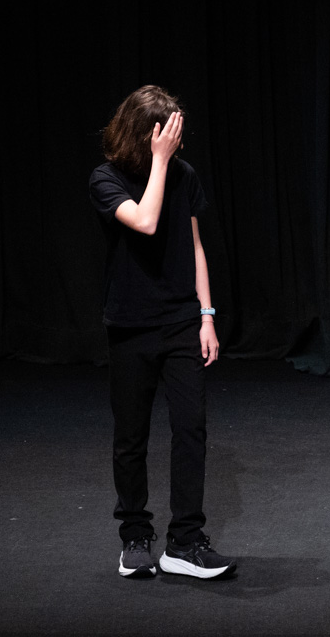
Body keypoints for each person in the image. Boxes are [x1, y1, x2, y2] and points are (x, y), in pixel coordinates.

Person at [89, 86, 236, 580]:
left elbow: (194, 246)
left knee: (191, 430)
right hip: (130, 327)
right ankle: (135, 537)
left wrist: (207, 315)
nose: (177, 140)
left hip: (181, 323)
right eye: (168, 132)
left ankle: (185, 543)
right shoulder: (105, 179)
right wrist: (158, 162)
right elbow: (146, 221)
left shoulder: (184, 174)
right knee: (131, 438)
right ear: (145, 134)